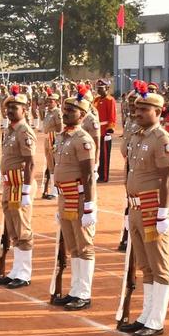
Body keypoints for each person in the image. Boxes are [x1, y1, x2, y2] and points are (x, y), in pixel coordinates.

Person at [119, 82, 169, 336]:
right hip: (136, 207)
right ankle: (145, 315)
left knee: (159, 265)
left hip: (153, 208)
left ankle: (156, 319)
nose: (137, 113)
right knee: (145, 266)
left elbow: (166, 178)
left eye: (144, 109)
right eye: (137, 108)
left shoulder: (162, 139)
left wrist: (163, 213)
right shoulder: (136, 137)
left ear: (158, 112)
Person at [51, 86, 97, 310]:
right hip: (65, 197)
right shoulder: (62, 137)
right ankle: (75, 290)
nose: (66, 113)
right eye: (65, 109)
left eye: (72, 110)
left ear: (83, 115)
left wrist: (89, 206)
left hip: (79, 198)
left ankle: (84, 293)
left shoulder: (82, 139)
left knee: (84, 246)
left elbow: (88, 175)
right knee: (73, 247)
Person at [0, 87, 37, 288]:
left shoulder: (24, 131)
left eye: (15, 107)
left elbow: (30, 162)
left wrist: (27, 190)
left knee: (22, 229)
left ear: (25, 109)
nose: (10, 110)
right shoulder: (10, 130)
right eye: (8, 107)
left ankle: (24, 273)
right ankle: (15, 269)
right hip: (9, 183)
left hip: (20, 183)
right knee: (12, 228)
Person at [94, 81, 118, 182]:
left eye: (101, 88)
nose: (99, 90)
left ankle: (104, 176)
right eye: (98, 88)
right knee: (98, 155)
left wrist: (110, 129)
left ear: (107, 88)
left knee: (104, 156)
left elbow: (112, 116)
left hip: (105, 131)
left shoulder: (110, 100)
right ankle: (98, 174)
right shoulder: (96, 99)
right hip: (96, 131)